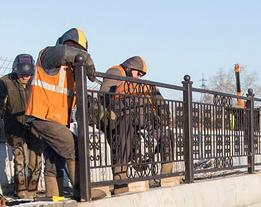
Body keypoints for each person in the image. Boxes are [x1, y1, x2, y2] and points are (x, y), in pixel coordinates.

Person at [25, 28, 96, 198]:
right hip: (43, 115)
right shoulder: (48, 56)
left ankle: (54, 197)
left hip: (56, 119)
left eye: (81, 50)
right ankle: (83, 191)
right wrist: (88, 60)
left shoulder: (71, 72)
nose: (77, 53)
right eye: (73, 47)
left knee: (54, 159)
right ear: (62, 43)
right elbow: (63, 53)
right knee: (75, 146)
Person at [97, 56, 175, 193]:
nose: (139, 77)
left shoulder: (146, 85)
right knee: (123, 141)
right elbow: (104, 95)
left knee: (166, 135)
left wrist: (165, 117)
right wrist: (110, 114)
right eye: (138, 73)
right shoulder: (116, 72)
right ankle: (120, 182)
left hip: (144, 116)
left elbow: (160, 101)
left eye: (141, 75)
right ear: (130, 68)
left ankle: (167, 174)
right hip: (123, 115)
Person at [0, 54, 42, 198]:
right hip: (14, 127)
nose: (24, 77)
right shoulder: (4, 82)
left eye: (28, 74)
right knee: (20, 158)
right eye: (21, 74)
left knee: (35, 158)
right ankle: (21, 189)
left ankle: (33, 189)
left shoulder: (38, 81)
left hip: (36, 127)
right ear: (15, 71)